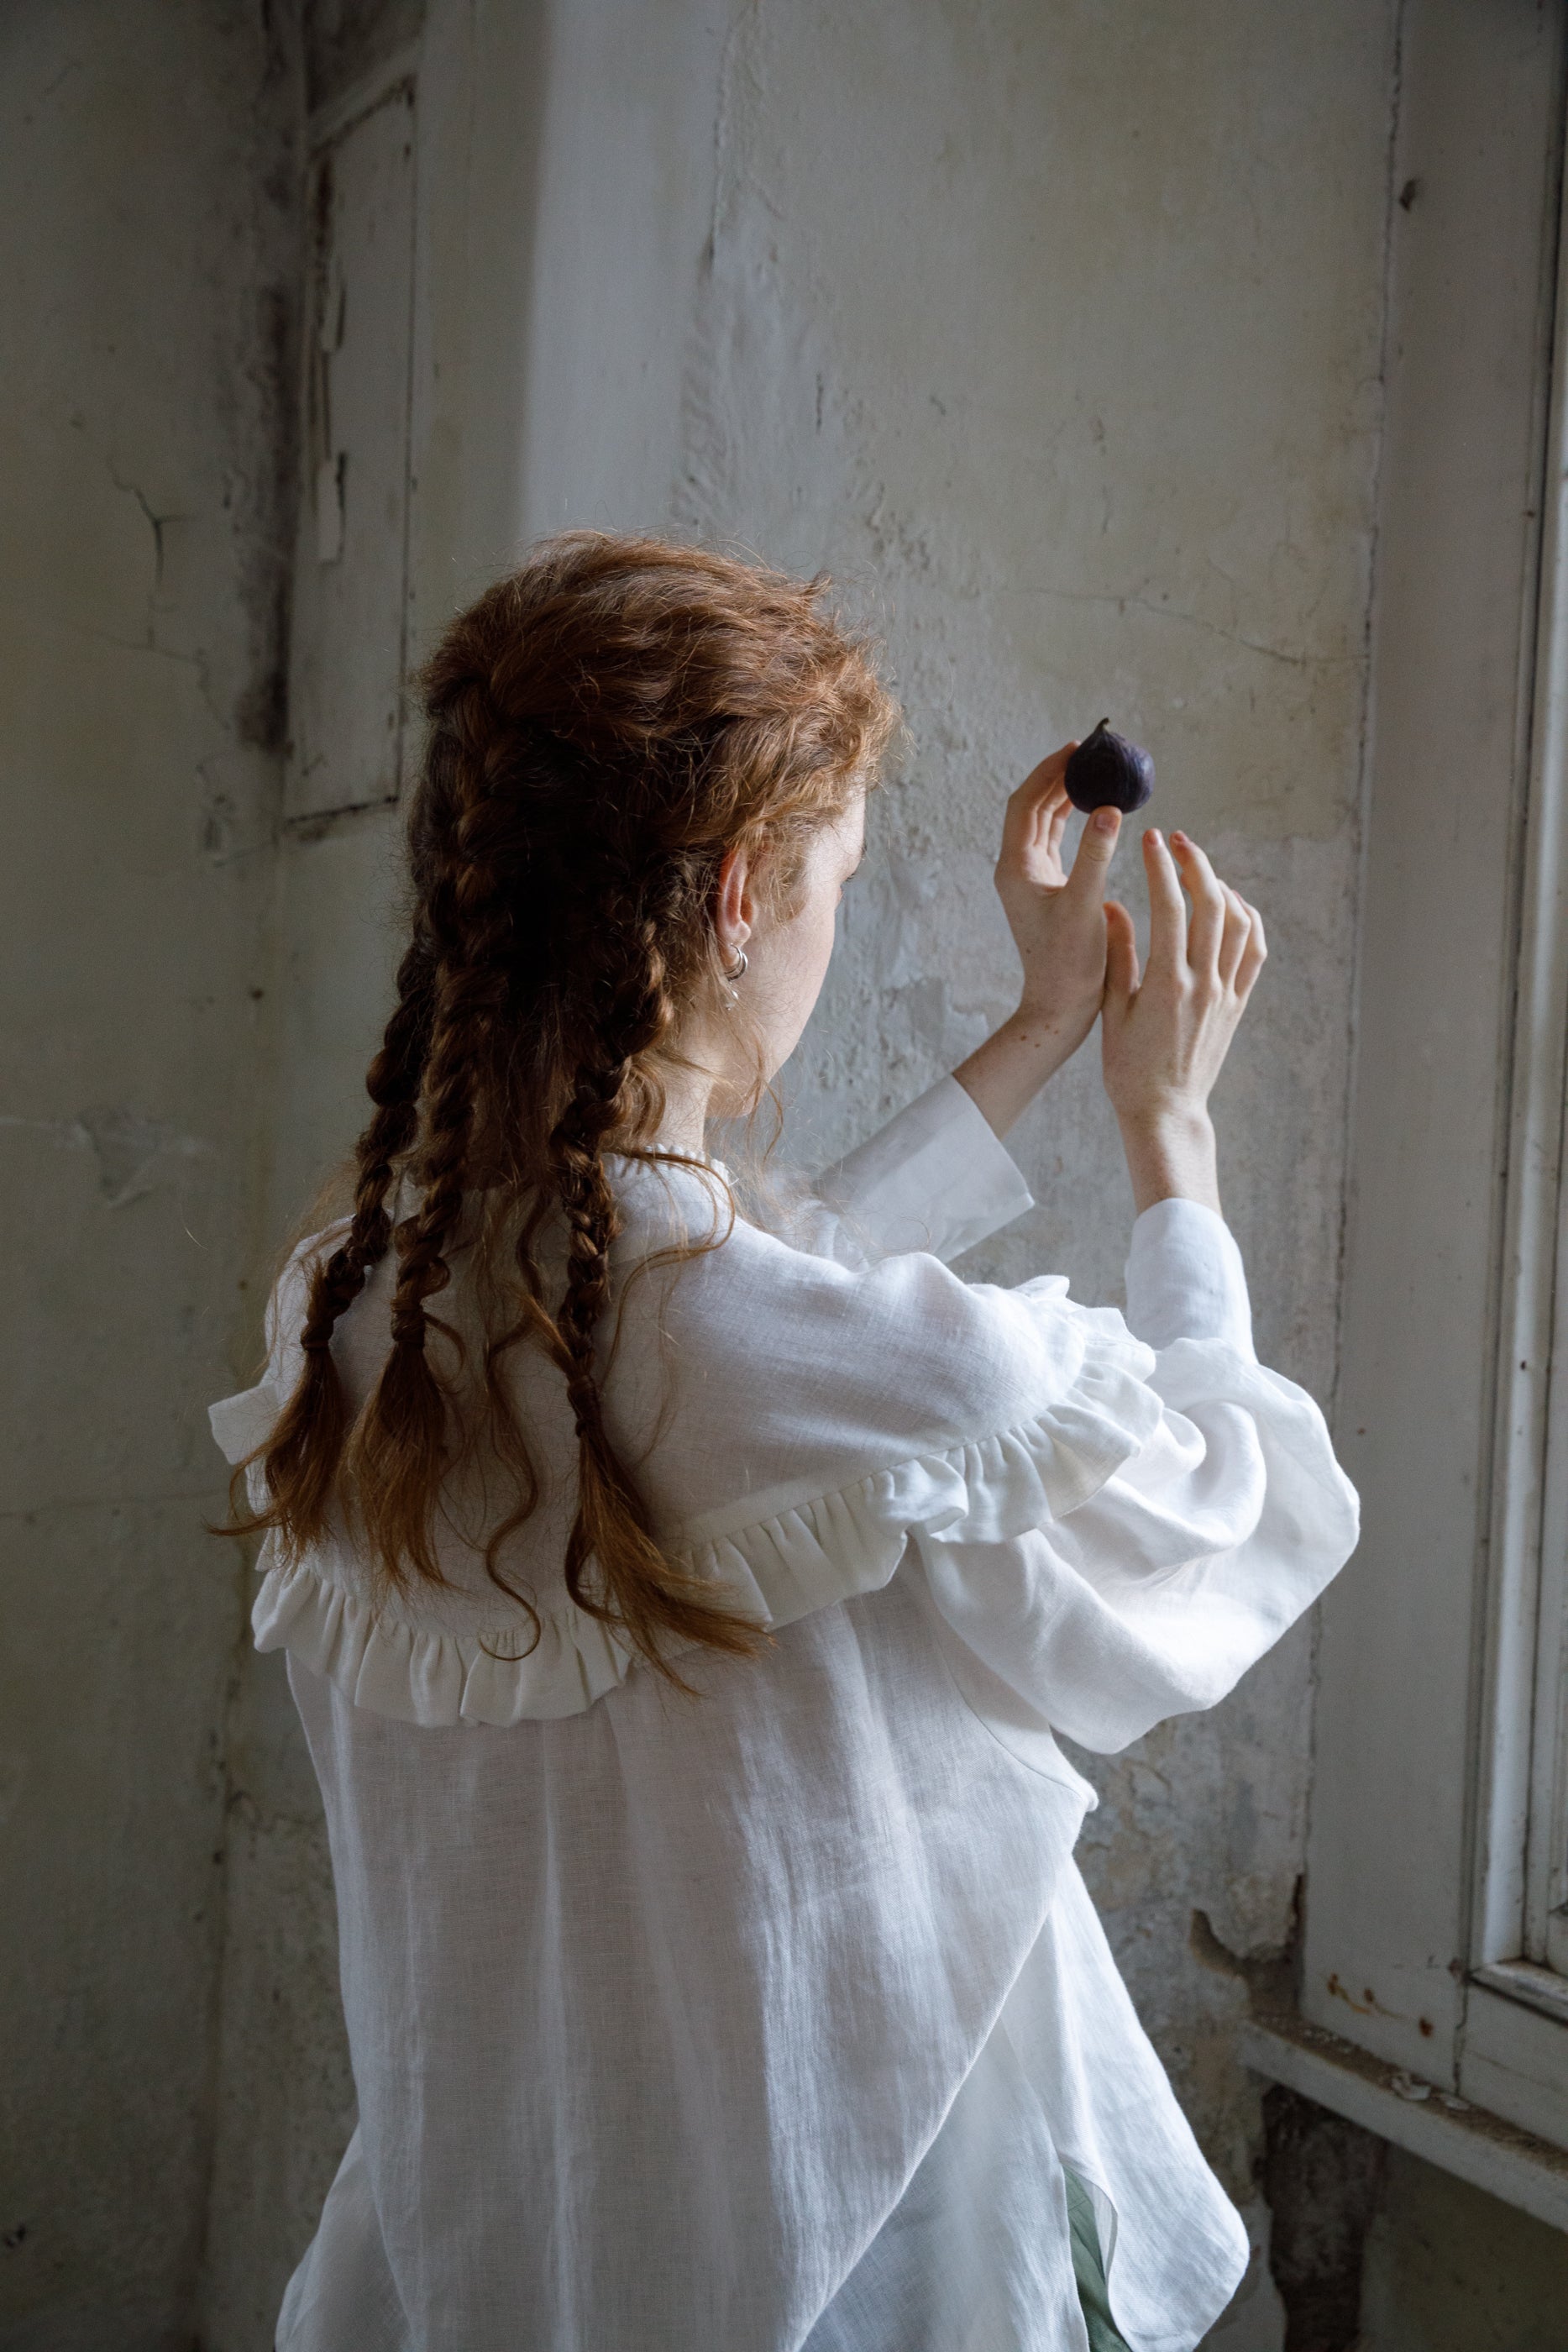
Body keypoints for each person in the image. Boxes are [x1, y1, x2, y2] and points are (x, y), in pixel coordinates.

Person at [211, 532, 1358, 2352]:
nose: (828, 923)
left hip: (495, 2236)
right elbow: (1231, 1510)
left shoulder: (346, 1309)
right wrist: (1174, 1140)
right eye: (833, 880)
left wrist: (1042, 1029)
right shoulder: (833, 1369)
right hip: (862, 2262)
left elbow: (738, 1311)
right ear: (742, 892)